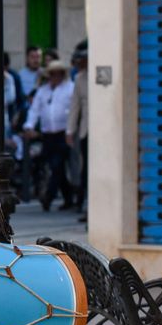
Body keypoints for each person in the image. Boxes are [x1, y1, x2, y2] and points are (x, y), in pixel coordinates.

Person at [23, 60, 77, 211]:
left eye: (58, 73)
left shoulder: (69, 89)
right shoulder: (43, 90)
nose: (55, 76)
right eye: (52, 74)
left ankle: (49, 196)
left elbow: (73, 110)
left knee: (57, 165)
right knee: (55, 167)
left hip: (63, 133)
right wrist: (29, 125)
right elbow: (35, 110)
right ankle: (68, 197)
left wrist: (71, 131)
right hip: (48, 134)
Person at [67, 42, 89, 216]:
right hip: (85, 131)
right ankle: (82, 203)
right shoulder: (80, 79)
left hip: (102, 133)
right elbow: (75, 106)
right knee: (84, 170)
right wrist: (70, 130)